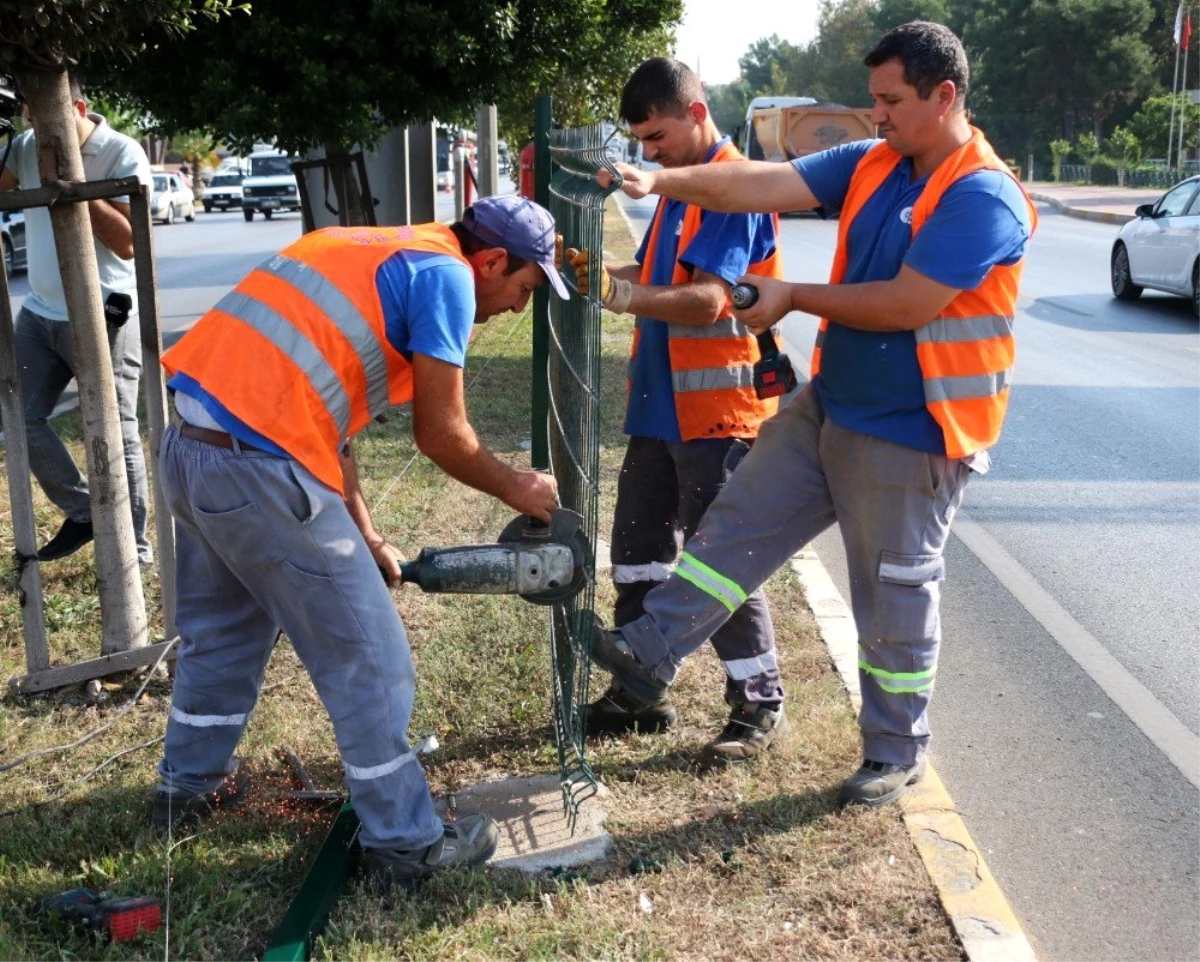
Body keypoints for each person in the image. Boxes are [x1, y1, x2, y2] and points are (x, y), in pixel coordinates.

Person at [591, 21, 1036, 807]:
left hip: (917, 431)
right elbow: (757, 184)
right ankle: (644, 654)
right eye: (873, 100)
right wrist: (658, 182)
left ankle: (895, 752)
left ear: (946, 96)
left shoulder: (982, 193)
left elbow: (907, 303)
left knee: (892, 596)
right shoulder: (875, 161)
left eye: (892, 101)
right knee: (732, 530)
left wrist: (792, 297)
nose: (878, 116)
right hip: (830, 406)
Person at [151, 195, 566, 887]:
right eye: (523, 288)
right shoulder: (448, 277)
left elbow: (325, 414)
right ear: (492, 260)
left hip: (190, 447)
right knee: (371, 661)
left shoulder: (367, 246)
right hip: (258, 468)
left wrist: (365, 532)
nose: (518, 307)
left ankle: (186, 787)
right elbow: (442, 434)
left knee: (222, 634)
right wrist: (518, 488)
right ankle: (406, 841)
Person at [567, 58, 787, 765]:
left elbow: (708, 301)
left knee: (718, 561)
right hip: (662, 411)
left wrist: (619, 295)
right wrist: (600, 275)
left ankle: (757, 701)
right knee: (636, 553)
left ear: (695, 114)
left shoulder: (734, 190)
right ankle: (640, 686)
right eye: (642, 141)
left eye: (656, 137)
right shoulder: (679, 189)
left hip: (717, 416)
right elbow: (665, 278)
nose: (650, 154)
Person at [0, 76, 154, 564]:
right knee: (17, 419)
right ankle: (84, 510)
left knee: (115, 426)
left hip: (103, 314)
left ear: (79, 107)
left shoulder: (122, 151)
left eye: (45, 117)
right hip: (40, 315)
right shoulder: (23, 148)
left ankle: (136, 543)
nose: (35, 128)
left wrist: (78, 189)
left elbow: (131, 242)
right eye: (29, 115)